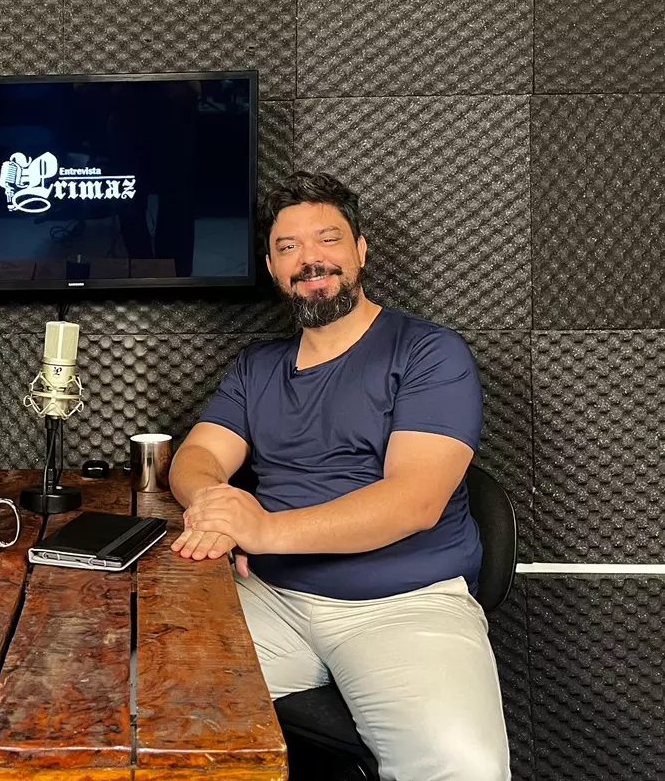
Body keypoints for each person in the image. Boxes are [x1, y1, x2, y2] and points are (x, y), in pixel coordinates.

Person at [168, 172, 510, 780]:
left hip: (404, 606)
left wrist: (263, 530)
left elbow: (414, 502)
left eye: (327, 240)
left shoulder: (429, 352)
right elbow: (196, 458)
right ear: (272, 267)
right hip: (271, 601)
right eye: (288, 247)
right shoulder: (258, 366)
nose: (310, 260)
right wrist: (213, 505)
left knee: (465, 769)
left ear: (360, 250)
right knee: (138, 706)